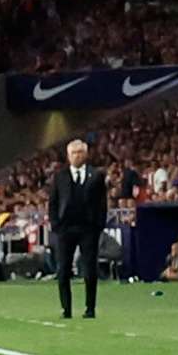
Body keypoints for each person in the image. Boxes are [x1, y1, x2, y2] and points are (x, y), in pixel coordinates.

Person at [49, 136, 111, 323]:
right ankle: (66, 308)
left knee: (89, 269)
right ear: (68, 156)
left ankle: (90, 308)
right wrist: (56, 224)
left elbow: (102, 203)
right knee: (63, 269)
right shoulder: (60, 177)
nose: (77, 156)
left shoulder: (96, 175)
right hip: (66, 228)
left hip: (88, 228)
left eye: (80, 152)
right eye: (74, 153)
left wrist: (99, 225)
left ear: (86, 154)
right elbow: (53, 202)